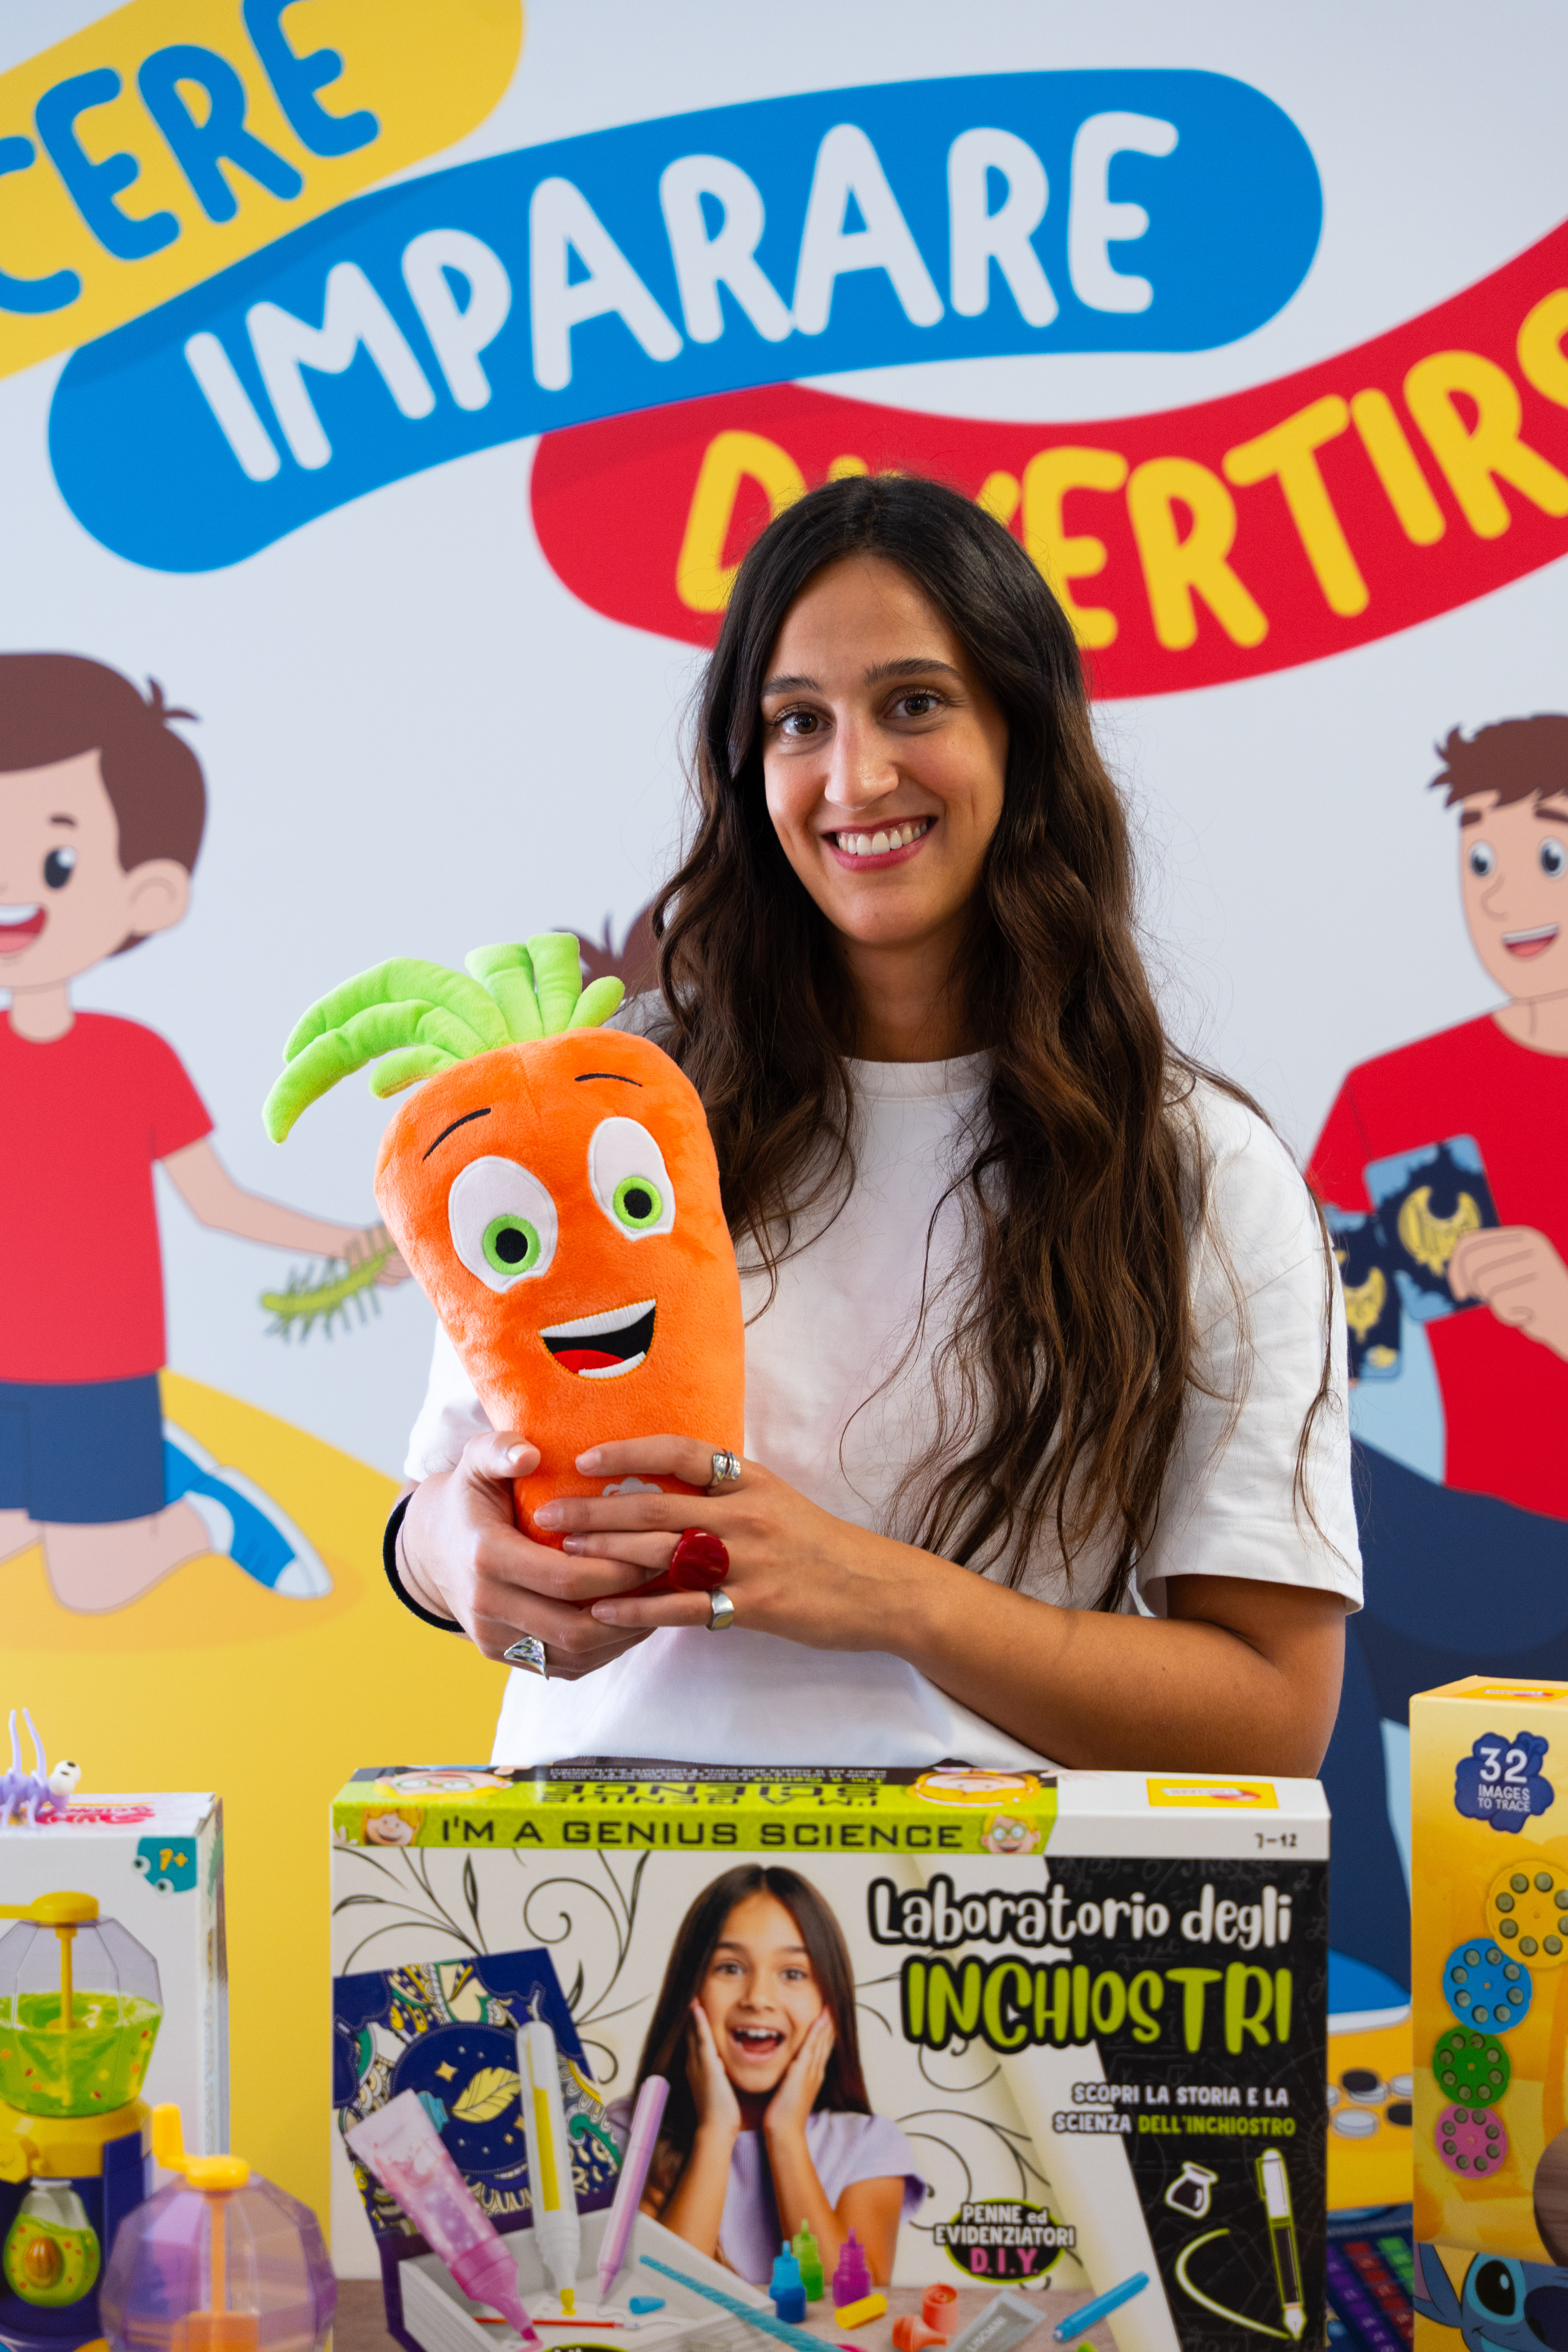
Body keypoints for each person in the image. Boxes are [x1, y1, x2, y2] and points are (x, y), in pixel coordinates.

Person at [387, 473, 1360, 1771]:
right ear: (748, 769)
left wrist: (878, 1594)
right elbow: (443, 1501)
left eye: (913, 703)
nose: (853, 776)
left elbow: (1269, 1719)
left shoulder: (1193, 1169)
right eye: (796, 721)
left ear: (1021, 731)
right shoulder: (616, 1111)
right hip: (591, 1905)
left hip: (985, 1938)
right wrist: (451, 1561)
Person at [0, 652, 402, 1612]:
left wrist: (351, 1245)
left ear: (149, 896)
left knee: (91, 1587)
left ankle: (206, 1508)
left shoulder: (131, 1057)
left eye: (55, 858)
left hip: (95, 1363)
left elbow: (216, 1202)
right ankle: (151, 1471)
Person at [1310, 715, 1568, 2001]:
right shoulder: (1393, 1094)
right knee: (1298, 1511)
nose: (1506, 901)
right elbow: (1303, 1328)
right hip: (1467, 1571)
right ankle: (1365, 1972)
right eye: (1480, 863)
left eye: (1545, 861)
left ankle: (1367, 1962)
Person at [611, 1864, 922, 2286]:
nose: (758, 1998)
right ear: (691, 1990)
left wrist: (786, 2136)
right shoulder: (627, 2131)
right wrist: (717, 2131)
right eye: (730, 1968)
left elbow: (850, 2307)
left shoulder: (869, 2146)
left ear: (830, 2003)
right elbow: (654, 2304)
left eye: (793, 1974)